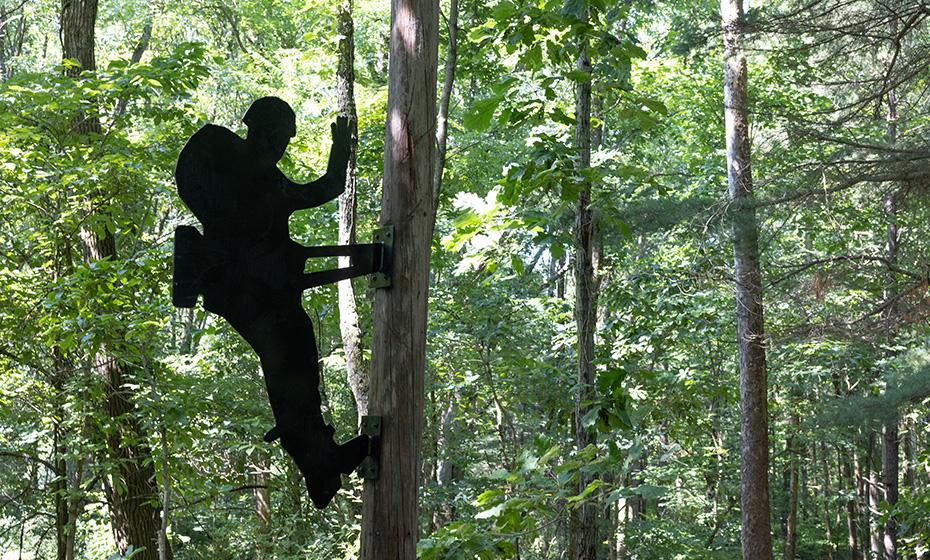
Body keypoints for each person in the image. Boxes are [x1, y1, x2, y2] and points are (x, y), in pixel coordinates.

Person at [174, 96, 368, 509]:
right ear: (253, 130)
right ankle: (321, 465)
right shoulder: (236, 175)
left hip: (269, 299)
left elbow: (329, 187)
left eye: (282, 139)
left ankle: (323, 462)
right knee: (290, 371)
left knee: (294, 375)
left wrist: (340, 149)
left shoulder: (272, 184)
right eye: (272, 135)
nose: (277, 145)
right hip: (253, 301)